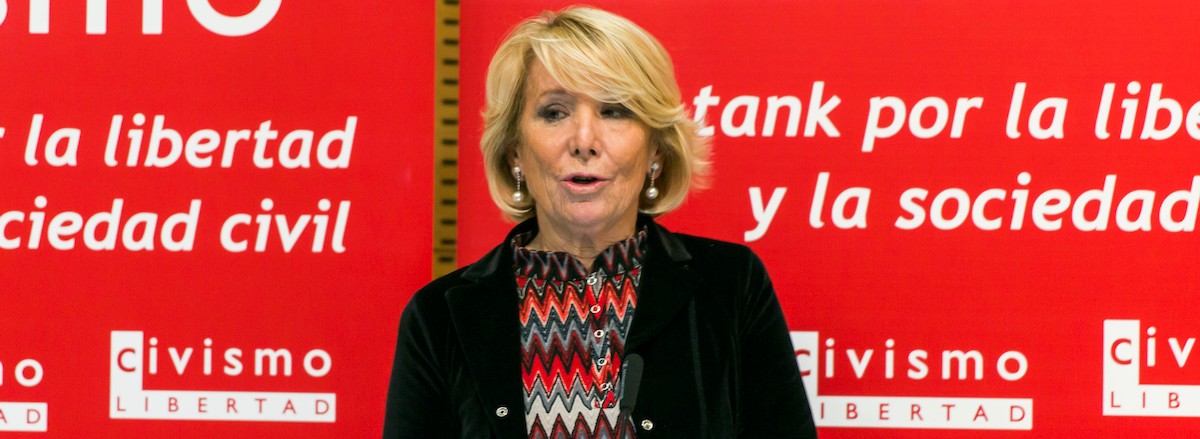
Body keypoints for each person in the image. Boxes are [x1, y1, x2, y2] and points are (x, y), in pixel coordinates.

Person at [384, 6, 816, 438]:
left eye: (614, 111)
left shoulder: (731, 285)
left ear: (656, 149)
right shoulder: (438, 317)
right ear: (515, 151)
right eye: (555, 112)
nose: (584, 141)